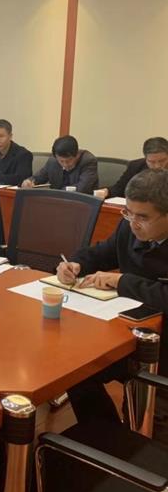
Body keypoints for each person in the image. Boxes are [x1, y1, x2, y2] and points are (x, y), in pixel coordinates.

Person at [56, 169, 168, 425]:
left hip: (162, 347)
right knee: (75, 368)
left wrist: (122, 282)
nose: (133, 223)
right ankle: (103, 433)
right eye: (128, 212)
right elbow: (101, 253)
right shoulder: (128, 227)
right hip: (123, 332)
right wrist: (75, 264)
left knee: (151, 421)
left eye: (143, 217)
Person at [21, 135, 98, 194]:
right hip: (57, 202)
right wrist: (29, 181)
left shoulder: (88, 161)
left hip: (83, 204)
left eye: (69, 160)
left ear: (77, 154)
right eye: (61, 161)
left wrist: (56, 193)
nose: (65, 164)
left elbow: (82, 188)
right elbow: (39, 177)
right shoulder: (53, 161)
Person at [98, 136, 168, 199]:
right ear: (145, 158)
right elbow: (119, 189)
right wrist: (107, 192)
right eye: (152, 162)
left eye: (162, 160)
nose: (157, 166)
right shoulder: (135, 166)